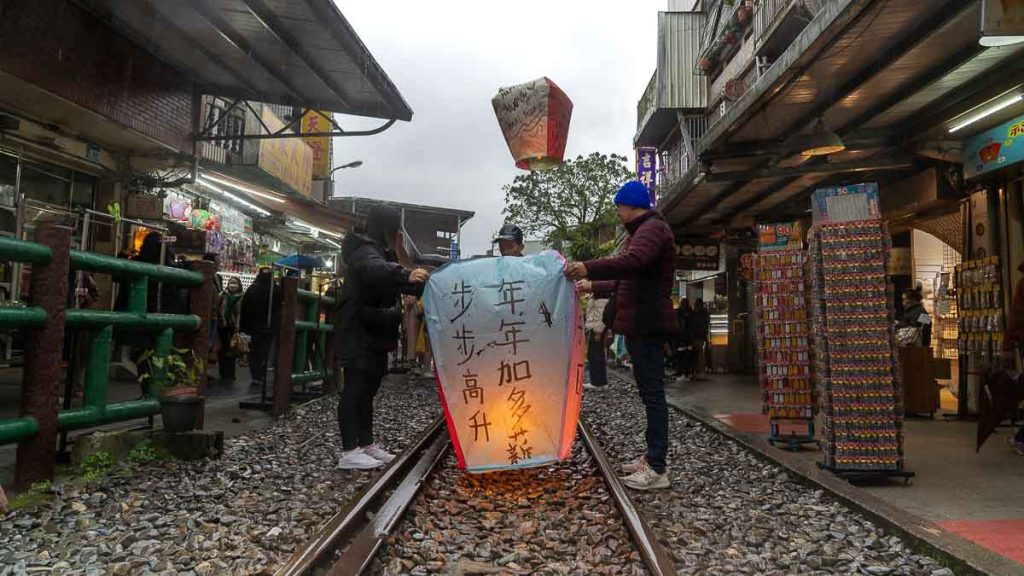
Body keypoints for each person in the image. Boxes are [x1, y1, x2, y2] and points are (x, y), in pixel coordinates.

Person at [567, 180, 679, 491]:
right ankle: (651, 457)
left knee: (653, 396)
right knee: (648, 394)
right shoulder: (645, 232)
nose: (617, 213)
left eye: (619, 206)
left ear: (630, 205)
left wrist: (588, 268)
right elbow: (626, 281)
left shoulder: (651, 230)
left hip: (647, 324)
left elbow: (632, 264)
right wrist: (593, 285)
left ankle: (657, 467)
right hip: (641, 324)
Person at [334, 205, 430, 470]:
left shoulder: (379, 250)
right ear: (387, 228)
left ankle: (365, 444)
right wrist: (405, 273)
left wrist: (419, 282)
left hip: (373, 330)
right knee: (355, 388)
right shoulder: (363, 249)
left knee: (368, 388)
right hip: (357, 329)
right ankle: (348, 450)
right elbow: (375, 271)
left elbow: (393, 280)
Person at [240, 268, 281, 388]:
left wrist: (243, 328)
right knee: (265, 350)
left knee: (255, 351)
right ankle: (261, 374)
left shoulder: (252, 289)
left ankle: (256, 375)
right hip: (270, 325)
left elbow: (245, 309)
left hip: (254, 326)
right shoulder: (276, 290)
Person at [217, 276, 244, 383]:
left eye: (235, 283)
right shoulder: (222, 295)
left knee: (233, 350)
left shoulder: (242, 297)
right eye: (231, 283)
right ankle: (223, 373)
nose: (233, 285)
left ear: (239, 285)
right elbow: (217, 307)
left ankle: (231, 373)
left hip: (235, 326)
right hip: (223, 325)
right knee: (222, 350)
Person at [583, 294, 610, 390]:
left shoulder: (600, 296)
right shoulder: (597, 295)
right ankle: (601, 382)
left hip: (596, 328)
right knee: (597, 353)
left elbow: (601, 314)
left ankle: (597, 382)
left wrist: (598, 330)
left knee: (594, 354)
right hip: (595, 327)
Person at [675, 298, 694, 382]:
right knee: (687, 356)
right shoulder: (691, 313)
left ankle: (682, 373)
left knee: (681, 356)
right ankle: (687, 373)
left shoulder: (678, 312)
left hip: (681, 338)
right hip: (687, 338)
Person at [691, 299, 711, 380]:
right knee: (699, 354)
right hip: (701, 336)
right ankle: (699, 372)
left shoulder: (699, 314)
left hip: (699, 336)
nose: (695, 306)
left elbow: (699, 325)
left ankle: (700, 372)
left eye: (696, 304)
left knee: (699, 354)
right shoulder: (703, 313)